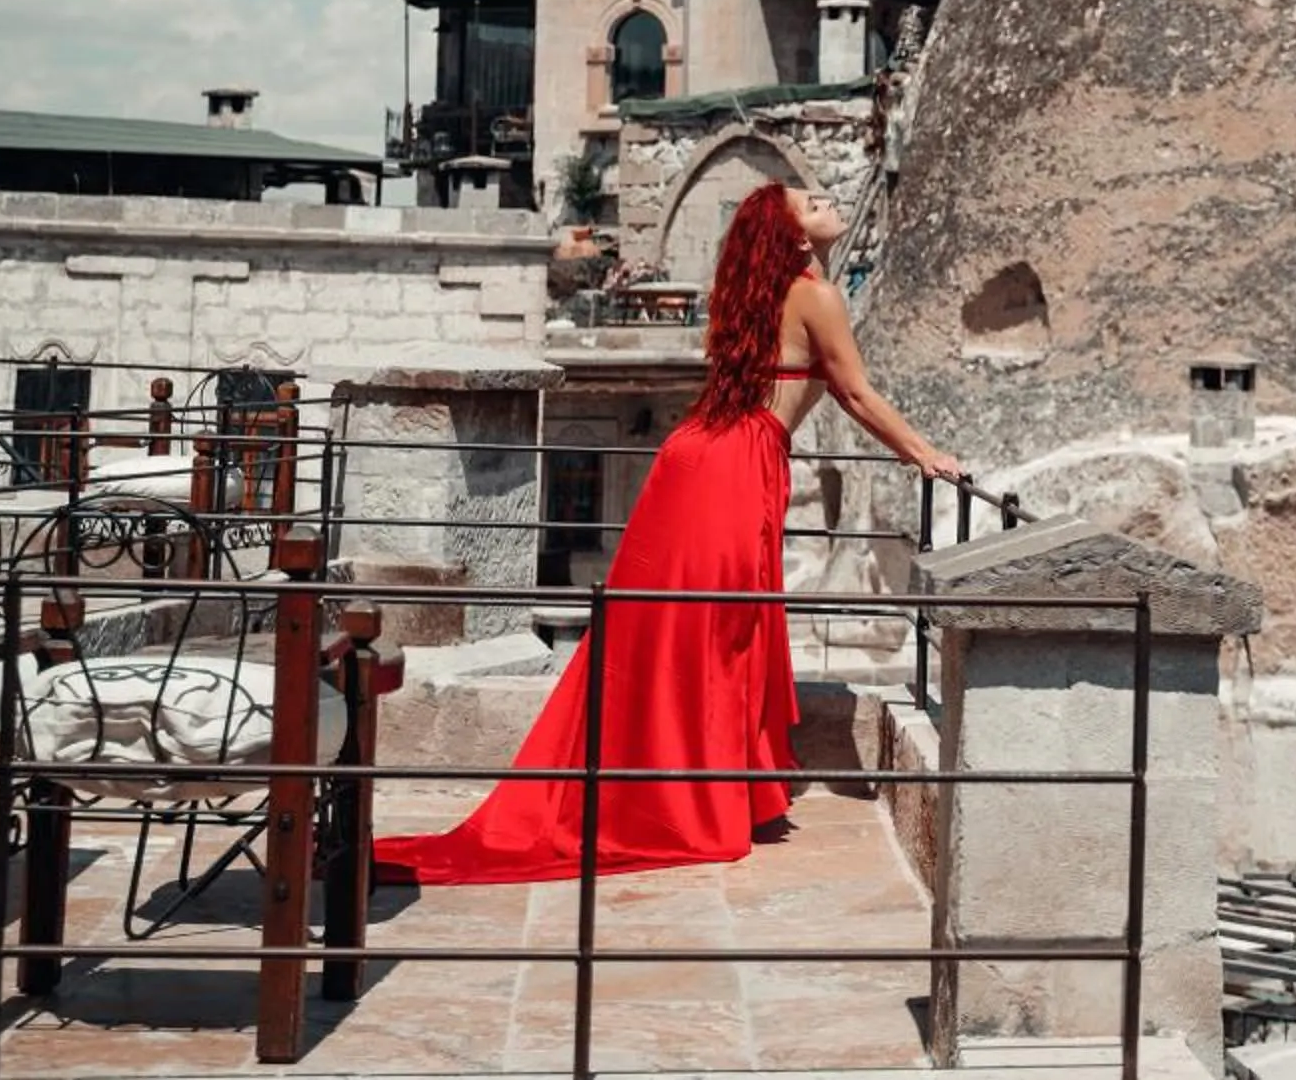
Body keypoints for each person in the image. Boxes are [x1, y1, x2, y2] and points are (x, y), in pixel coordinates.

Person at [375, 182, 961, 883]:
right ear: (797, 238)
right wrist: (926, 455)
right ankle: (696, 800)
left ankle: (707, 787)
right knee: (717, 631)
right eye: (812, 202)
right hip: (734, 467)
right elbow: (857, 392)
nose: (831, 200)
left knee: (680, 629)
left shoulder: (770, 294)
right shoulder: (816, 295)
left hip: (699, 458)